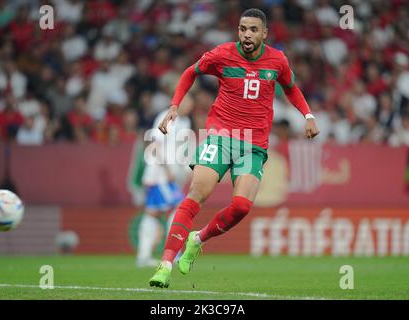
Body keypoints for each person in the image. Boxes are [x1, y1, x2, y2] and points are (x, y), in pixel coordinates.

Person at [149, 8, 320, 288]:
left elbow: (290, 88)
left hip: (254, 144)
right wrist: (174, 106)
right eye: (242, 29)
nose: (247, 34)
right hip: (221, 135)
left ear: (264, 33)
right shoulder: (222, 54)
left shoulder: (277, 60)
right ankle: (165, 263)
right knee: (196, 193)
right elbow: (189, 73)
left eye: (253, 29)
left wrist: (308, 115)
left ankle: (197, 239)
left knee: (241, 206)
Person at [136, 99, 193, 267]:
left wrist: (184, 169)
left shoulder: (185, 121)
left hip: (167, 175)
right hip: (159, 173)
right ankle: (173, 254)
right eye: (188, 102)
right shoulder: (166, 116)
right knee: (179, 209)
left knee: (152, 213)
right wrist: (167, 168)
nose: (190, 106)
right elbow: (155, 144)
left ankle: (144, 257)